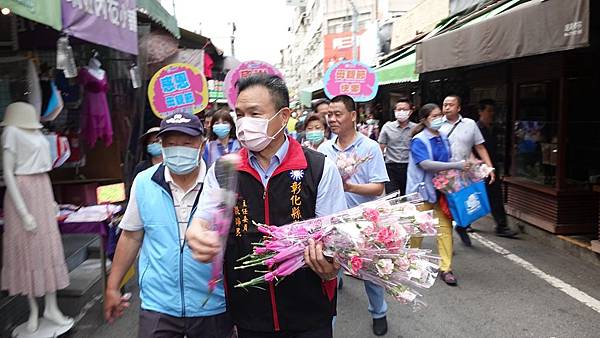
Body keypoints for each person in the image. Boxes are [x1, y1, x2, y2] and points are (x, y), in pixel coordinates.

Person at [186, 74, 347, 338]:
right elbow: (204, 218)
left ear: (283, 117)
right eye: (240, 114)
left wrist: (331, 266)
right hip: (249, 315)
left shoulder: (318, 168)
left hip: (309, 314)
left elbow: (336, 239)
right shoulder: (225, 170)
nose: (244, 122)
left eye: (255, 114)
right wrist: (197, 232)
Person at [104, 112, 233, 337]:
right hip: (158, 305)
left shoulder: (220, 184)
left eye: (187, 143)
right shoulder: (145, 182)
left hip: (212, 302)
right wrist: (113, 287)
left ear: (202, 145)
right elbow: (131, 236)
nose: (179, 149)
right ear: (161, 146)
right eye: (171, 143)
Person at [317, 95, 390, 336]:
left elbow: (378, 187)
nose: (332, 119)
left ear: (353, 116)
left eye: (338, 114)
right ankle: (327, 323)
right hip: (334, 222)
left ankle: (378, 312)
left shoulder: (369, 147)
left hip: (365, 221)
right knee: (329, 270)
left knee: (370, 272)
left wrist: (348, 187)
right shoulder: (324, 149)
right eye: (329, 114)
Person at [407, 103, 471, 286]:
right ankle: (411, 263)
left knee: (445, 229)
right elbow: (426, 164)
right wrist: (455, 165)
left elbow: (447, 159)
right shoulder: (419, 140)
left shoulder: (443, 137)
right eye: (434, 116)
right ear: (425, 120)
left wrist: (462, 169)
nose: (439, 119)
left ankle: (446, 268)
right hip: (422, 192)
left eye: (439, 115)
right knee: (417, 230)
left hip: (441, 191)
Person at [440, 95, 495, 247]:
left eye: (451, 105)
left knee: (467, 202)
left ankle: (462, 226)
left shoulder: (470, 124)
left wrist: (489, 167)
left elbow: (480, 146)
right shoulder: (437, 124)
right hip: (443, 172)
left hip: (465, 171)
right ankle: (447, 240)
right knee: (447, 206)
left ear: (459, 108)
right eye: (445, 105)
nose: (447, 107)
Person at [477, 99, 518, 238]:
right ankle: (464, 224)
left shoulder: (496, 129)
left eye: (493, 111)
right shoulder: (476, 128)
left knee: (496, 196)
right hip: (478, 167)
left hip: (493, 167)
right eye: (489, 110)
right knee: (475, 196)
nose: (492, 114)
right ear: (481, 112)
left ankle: (502, 226)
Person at [378, 99, 416, 195]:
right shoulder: (387, 127)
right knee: (392, 196)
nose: (401, 112)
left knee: (409, 196)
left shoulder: (416, 128)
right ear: (395, 111)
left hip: (410, 167)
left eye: (404, 109)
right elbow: (380, 147)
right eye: (398, 109)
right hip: (391, 167)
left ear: (410, 112)